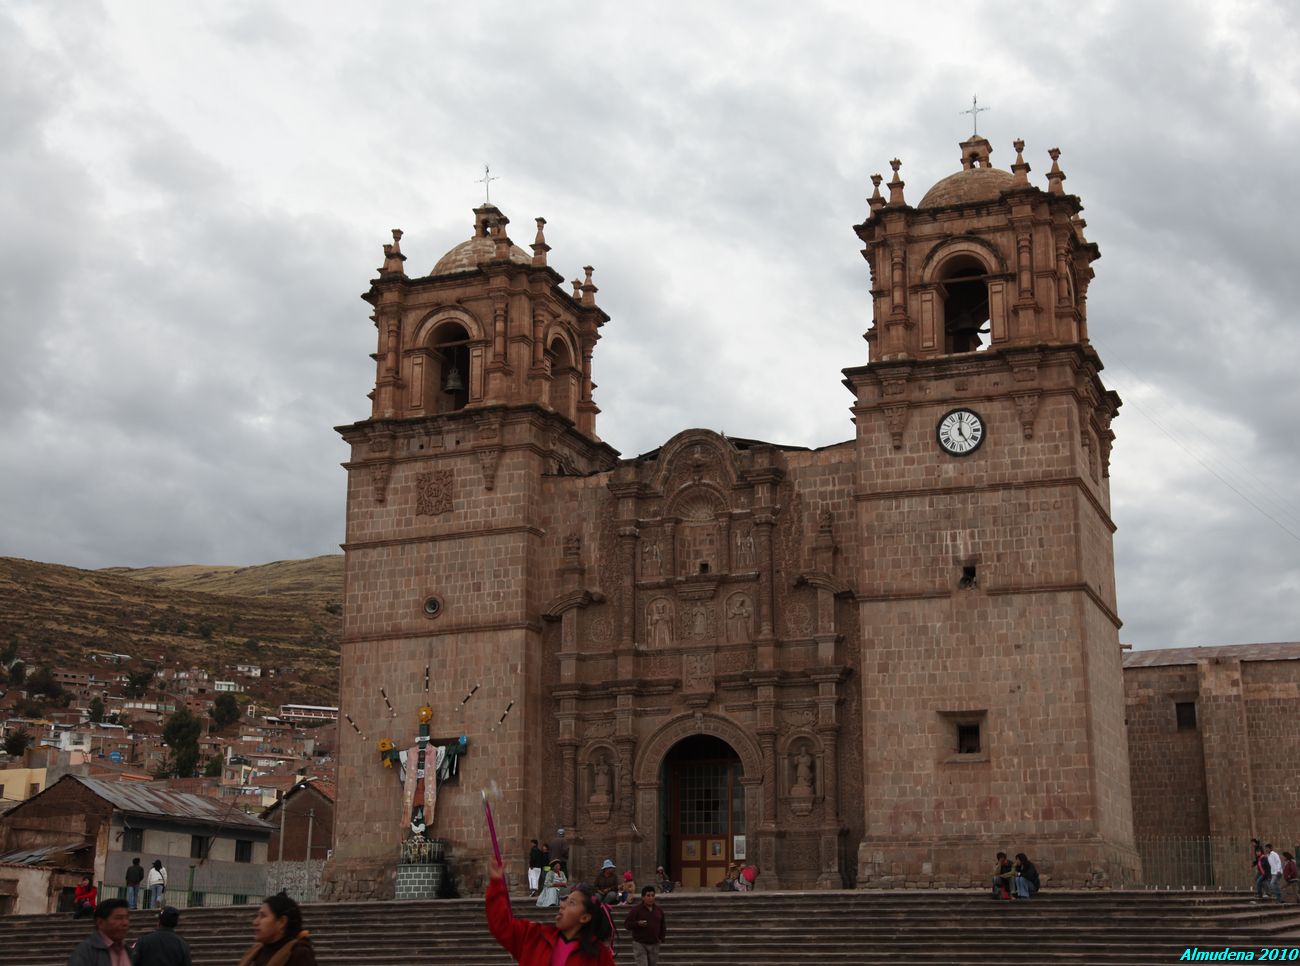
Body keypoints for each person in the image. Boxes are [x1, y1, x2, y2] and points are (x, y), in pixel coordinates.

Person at [487, 857, 614, 965]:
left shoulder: (598, 955)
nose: (563, 905)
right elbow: (502, 926)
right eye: (565, 900)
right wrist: (496, 885)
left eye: (572, 903)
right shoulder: (534, 936)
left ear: (585, 917)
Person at [237, 894, 317, 966]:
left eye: (263, 916)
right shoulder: (257, 951)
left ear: (282, 922)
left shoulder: (299, 955)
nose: (255, 922)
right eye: (258, 916)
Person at [67, 898, 130, 966]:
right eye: (119, 918)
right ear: (100, 922)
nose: (125, 923)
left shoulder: (128, 951)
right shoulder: (85, 953)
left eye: (127, 918)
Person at [623, 885, 667, 966]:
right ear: (643, 897)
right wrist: (637, 923)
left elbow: (663, 925)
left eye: (652, 895)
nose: (651, 898)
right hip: (640, 943)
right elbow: (627, 924)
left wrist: (662, 938)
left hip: (654, 943)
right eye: (648, 895)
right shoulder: (636, 910)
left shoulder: (658, 910)